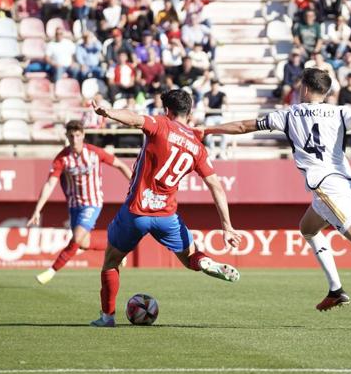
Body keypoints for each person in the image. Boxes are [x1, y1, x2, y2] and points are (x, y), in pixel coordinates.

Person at [200, 68, 351, 312]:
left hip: (328, 188)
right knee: (308, 228)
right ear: (326, 92)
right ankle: (335, 290)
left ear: (304, 88)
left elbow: (243, 126)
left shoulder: (288, 115)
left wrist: (208, 130)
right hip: (343, 183)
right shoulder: (341, 112)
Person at [89, 89, 242, 327]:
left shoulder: (161, 124)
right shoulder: (197, 147)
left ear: (167, 110)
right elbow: (216, 185)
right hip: (166, 216)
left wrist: (107, 112)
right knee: (191, 258)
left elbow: (133, 118)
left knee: (111, 262)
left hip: (136, 212)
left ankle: (107, 317)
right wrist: (227, 226)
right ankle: (206, 263)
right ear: (189, 113)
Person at [28, 120, 132, 285]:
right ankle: (119, 249)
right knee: (83, 243)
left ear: (83, 135)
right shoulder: (62, 159)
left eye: (77, 135)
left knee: (76, 238)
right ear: (67, 137)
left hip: (92, 202)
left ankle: (51, 271)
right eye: (71, 136)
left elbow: (119, 164)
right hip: (74, 206)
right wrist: (37, 210)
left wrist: (134, 184)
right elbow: (50, 184)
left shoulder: (94, 153)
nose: (75, 139)